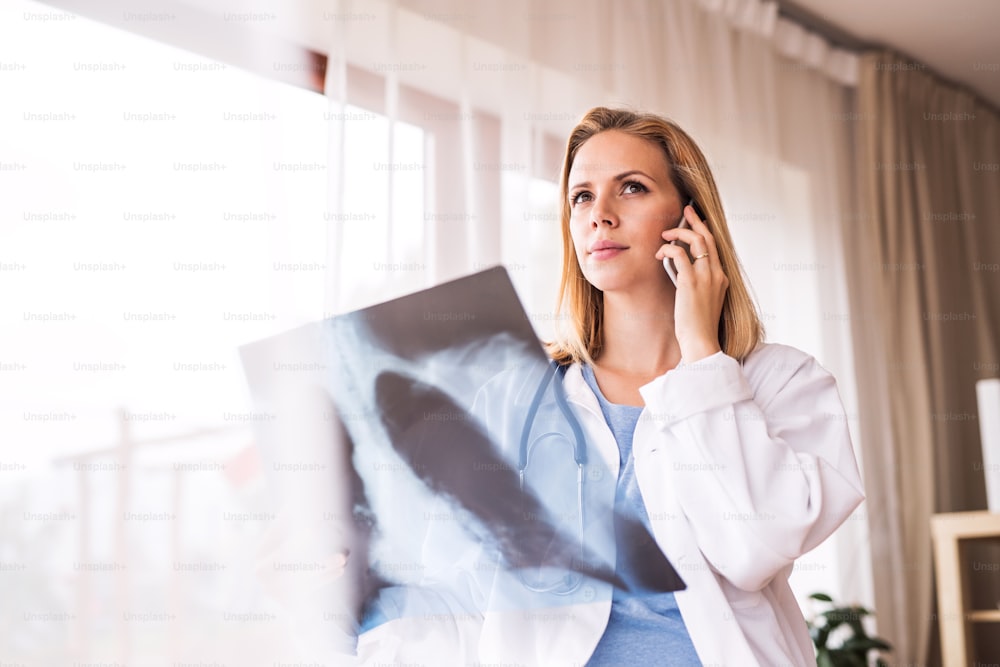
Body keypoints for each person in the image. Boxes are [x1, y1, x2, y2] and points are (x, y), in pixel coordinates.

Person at [355, 106, 865, 666]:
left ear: (691, 218)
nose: (599, 214)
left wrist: (702, 361)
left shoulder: (781, 383)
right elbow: (460, 604)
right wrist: (353, 601)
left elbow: (751, 550)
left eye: (631, 188)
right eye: (581, 196)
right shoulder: (512, 402)